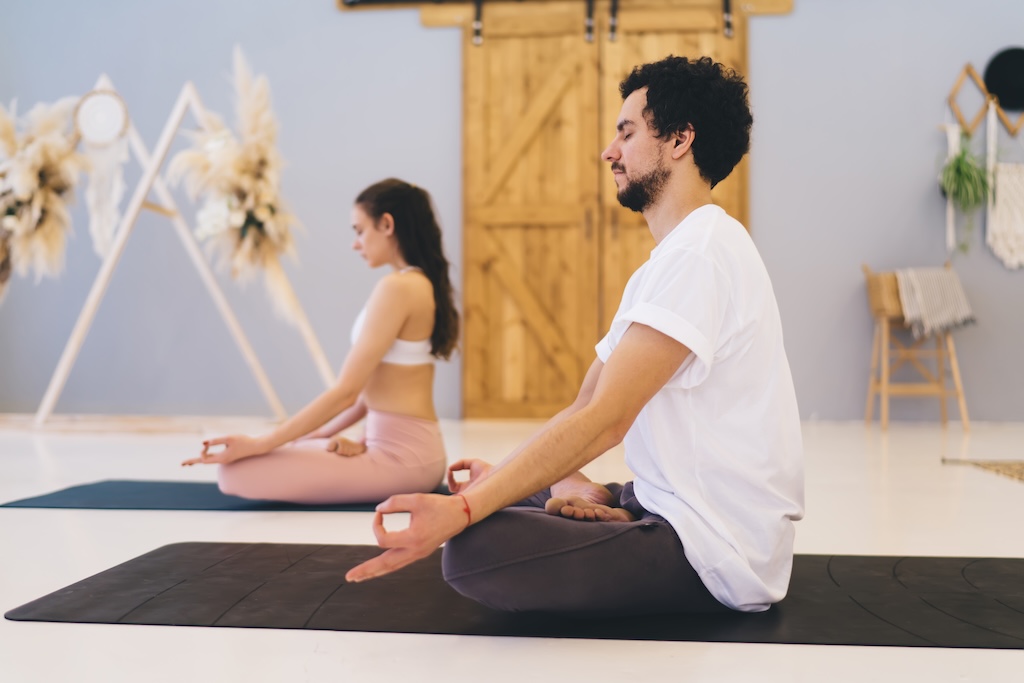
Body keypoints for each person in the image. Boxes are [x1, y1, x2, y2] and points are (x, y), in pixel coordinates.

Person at [345, 56, 804, 616]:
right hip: (672, 500)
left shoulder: (700, 255)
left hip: (713, 549)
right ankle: (603, 501)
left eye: (627, 132)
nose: (609, 151)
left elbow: (606, 420)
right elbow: (584, 403)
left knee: (474, 549)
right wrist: (509, 478)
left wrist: (463, 512)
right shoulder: (670, 259)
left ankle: (608, 507)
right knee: (518, 482)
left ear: (681, 139)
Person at [181, 179, 459, 505]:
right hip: (405, 450)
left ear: (387, 224)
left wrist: (263, 443)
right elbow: (368, 397)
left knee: (234, 473)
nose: (356, 244)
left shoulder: (398, 288)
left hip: (402, 460)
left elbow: (346, 392)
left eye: (359, 230)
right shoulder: (417, 284)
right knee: (280, 452)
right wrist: (319, 437)